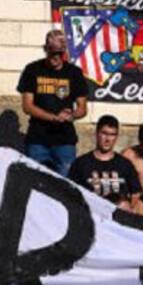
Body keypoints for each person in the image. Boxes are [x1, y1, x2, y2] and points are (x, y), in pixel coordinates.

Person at [17, 28, 88, 176]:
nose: (55, 57)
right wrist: (54, 118)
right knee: (34, 182)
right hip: (38, 139)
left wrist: (71, 115)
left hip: (65, 140)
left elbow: (82, 108)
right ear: (45, 49)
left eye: (59, 53)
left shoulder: (74, 73)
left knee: (65, 185)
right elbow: (27, 106)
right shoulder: (33, 70)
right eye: (52, 52)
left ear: (65, 52)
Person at [69, 115, 143, 212]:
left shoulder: (125, 164)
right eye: (104, 133)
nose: (108, 139)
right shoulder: (81, 164)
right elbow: (71, 193)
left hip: (119, 218)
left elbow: (136, 194)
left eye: (112, 135)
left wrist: (130, 210)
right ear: (97, 133)